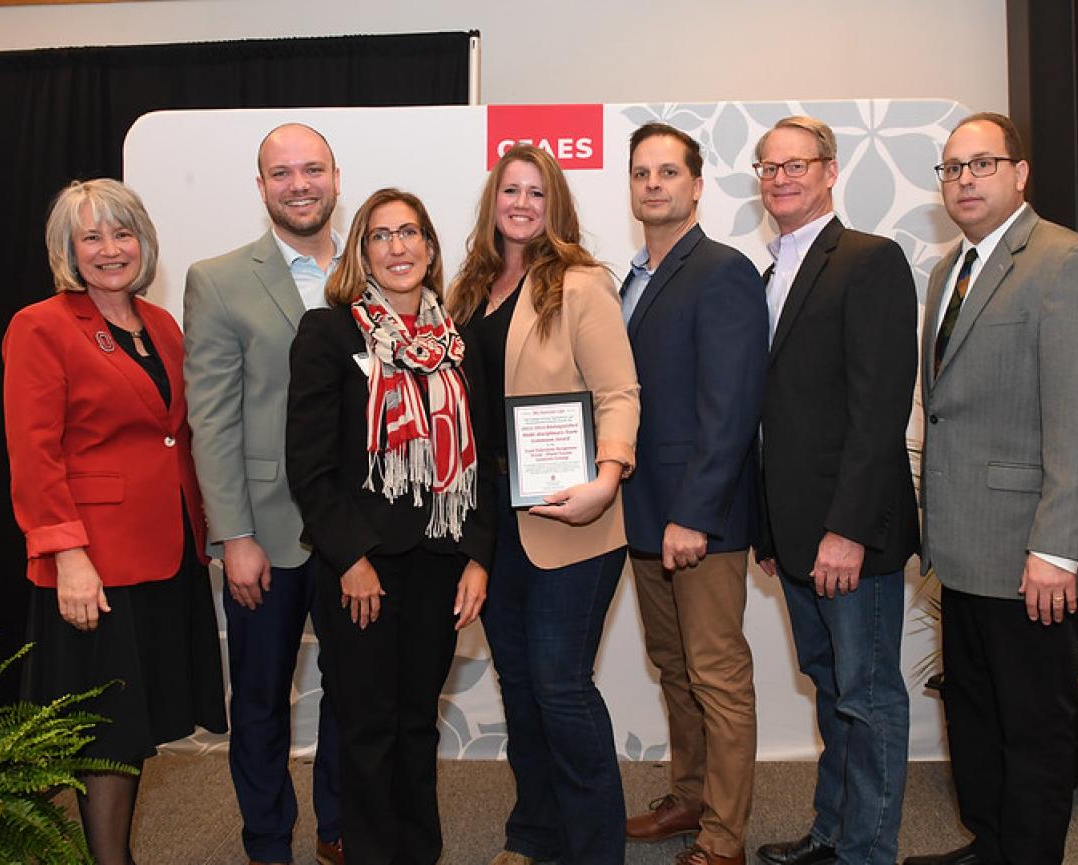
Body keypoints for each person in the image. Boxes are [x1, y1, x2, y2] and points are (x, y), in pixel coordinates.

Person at [905, 112, 1078, 865]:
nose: (965, 179)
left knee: (1032, 726)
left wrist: (1058, 548)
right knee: (974, 712)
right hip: (961, 549)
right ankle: (990, 842)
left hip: (1030, 553)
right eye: (952, 168)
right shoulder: (949, 271)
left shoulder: (1068, 263)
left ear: (1020, 174)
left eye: (982, 164)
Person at [2, 178, 227, 865]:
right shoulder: (40, 325)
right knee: (101, 729)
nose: (110, 249)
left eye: (122, 233)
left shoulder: (160, 326)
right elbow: (34, 453)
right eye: (91, 236)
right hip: (94, 564)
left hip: (163, 550)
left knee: (132, 727)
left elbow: (178, 436)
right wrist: (66, 553)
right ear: (67, 249)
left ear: (143, 242)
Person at [285, 188, 492, 864]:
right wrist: (350, 557)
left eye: (410, 233)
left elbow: (485, 459)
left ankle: (419, 852)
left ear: (431, 249)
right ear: (363, 252)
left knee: (416, 721)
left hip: (440, 561)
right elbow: (310, 466)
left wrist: (478, 557)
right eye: (381, 235)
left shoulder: (459, 340)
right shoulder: (328, 333)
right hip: (362, 567)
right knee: (368, 726)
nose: (398, 247)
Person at [447, 143, 640, 865]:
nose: (522, 203)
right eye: (510, 191)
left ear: (554, 204)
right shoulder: (467, 289)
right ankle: (535, 834)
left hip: (572, 511)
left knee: (560, 686)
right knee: (520, 687)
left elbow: (619, 392)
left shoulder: (581, 282)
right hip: (490, 513)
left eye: (536, 192)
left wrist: (608, 474)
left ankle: (594, 850)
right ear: (492, 202)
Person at [749, 116, 919, 865]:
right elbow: (776, 416)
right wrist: (769, 527)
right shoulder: (768, 272)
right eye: (768, 167)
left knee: (870, 696)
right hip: (793, 533)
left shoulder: (868, 259)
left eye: (797, 164)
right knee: (830, 688)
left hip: (850, 536)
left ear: (830, 170)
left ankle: (867, 852)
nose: (781, 177)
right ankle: (832, 833)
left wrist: (847, 528)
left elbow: (880, 407)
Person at [184, 123, 344, 865]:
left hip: (354, 530)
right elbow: (210, 419)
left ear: (335, 178)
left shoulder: (374, 266)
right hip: (265, 532)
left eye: (311, 169)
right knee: (259, 700)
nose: (299, 184)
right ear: (261, 188)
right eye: (282, 173)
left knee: (356, 692)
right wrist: (233, 535)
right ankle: (268, 838)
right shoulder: (218, 279)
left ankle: (340, 826)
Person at [619, 122, 767, 865]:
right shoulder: (632, 279)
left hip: (696, 521)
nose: (654, 184)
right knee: (673, 668)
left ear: (697, 185)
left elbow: (731, 407)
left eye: (668, 172)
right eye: (642, 172)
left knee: (717, 674)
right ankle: (689, 795)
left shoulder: (723, 270)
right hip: (641, 515)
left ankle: (725, 837)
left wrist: (694, 514)